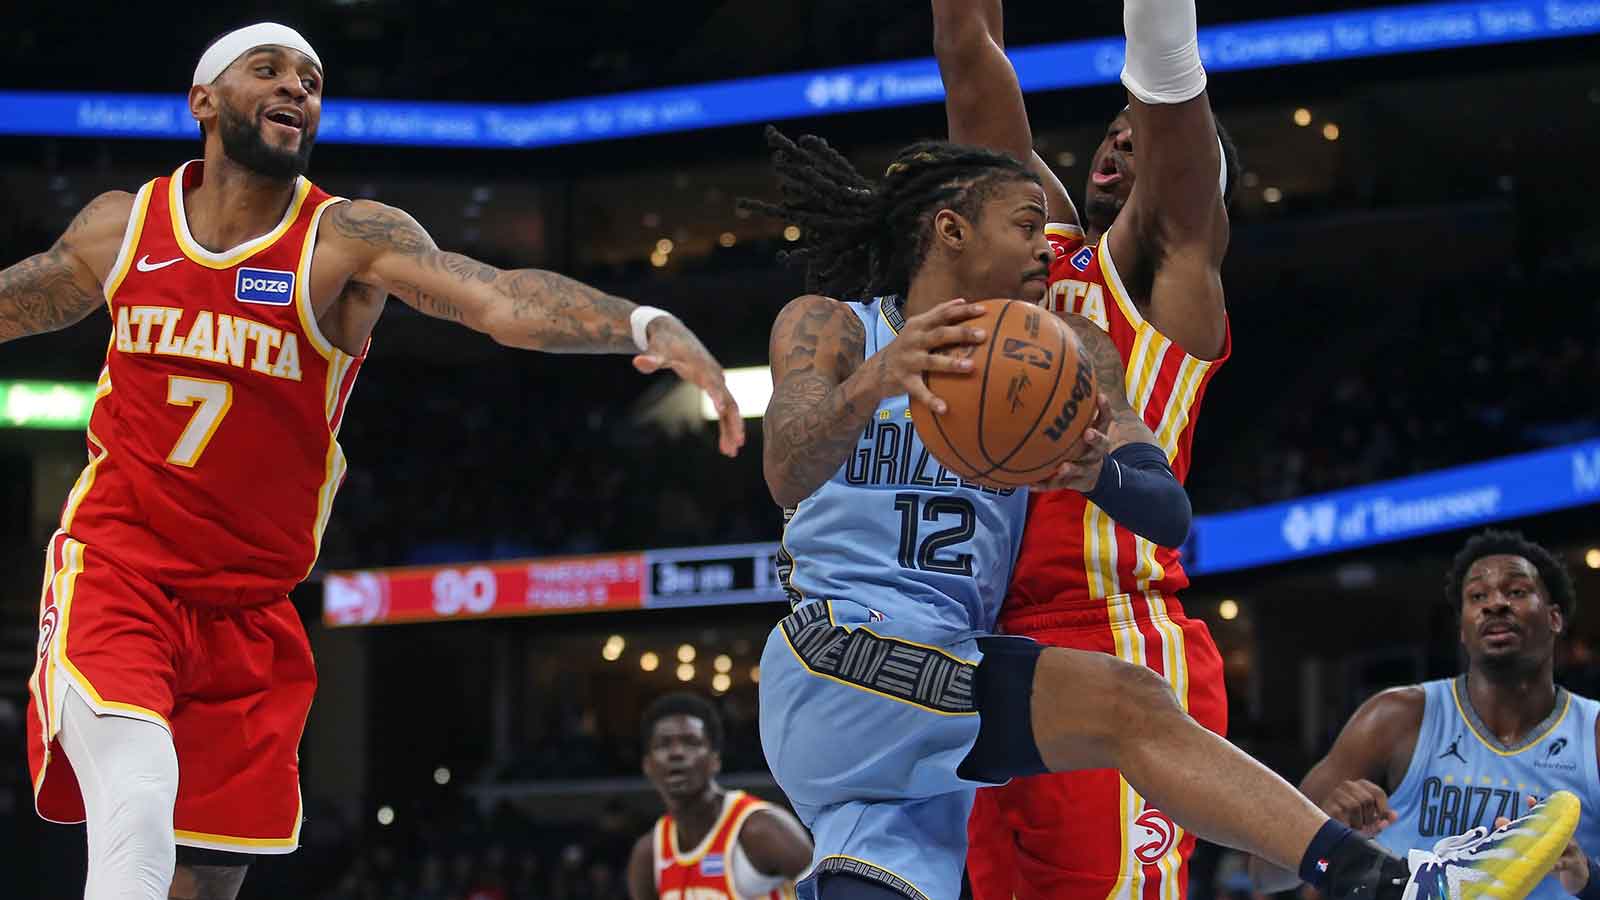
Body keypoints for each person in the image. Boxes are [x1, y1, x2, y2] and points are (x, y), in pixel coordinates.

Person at [3, 23, 743, 900]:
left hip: (249, 606)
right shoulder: (126, 226)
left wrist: (641, 323)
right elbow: (19, 300)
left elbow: (499, 300)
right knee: (137, 797)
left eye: (311, 79)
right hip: (119, 571)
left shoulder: (344, 239)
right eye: (268, 70)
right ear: (203, 100)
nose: (296, 89)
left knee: (201, 882)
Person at [742, 127, 1575, 900]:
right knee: (1126, 703)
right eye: (1027, 223)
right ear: (952, 230)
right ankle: (1389, 882)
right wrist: (875, 381)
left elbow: (1166, 510)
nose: (1048, 245)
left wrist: (1099, 471)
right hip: (840, 656)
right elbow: (786, 469)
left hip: (924, 710)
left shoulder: (1063, 348)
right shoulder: (833, 325)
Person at [930, 0, 1239, 896]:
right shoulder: (1031, 251)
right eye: (1111, 134)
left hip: (1116, 636)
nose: (1119, 146)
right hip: (982, 639)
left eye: (1139, 139)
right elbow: (968, 55)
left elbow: (1170, 85)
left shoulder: (1177, 273)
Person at [1250, 530, 1600, 900]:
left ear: (1555, 618)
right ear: (1462, 629)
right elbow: (1264, 873)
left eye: (1516, 591)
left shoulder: (1592, 734)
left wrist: (1588, 878)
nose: (1495, 604)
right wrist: (1328, 830)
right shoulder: (1395, 717)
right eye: (1477, 596)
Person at [627, 692, 812, 900]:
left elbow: (832, 889)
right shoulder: (649, 854)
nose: (676, 753)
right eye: (663, 744)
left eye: (691, 742)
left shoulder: (760, 830)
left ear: (715, 760)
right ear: (647, 765)